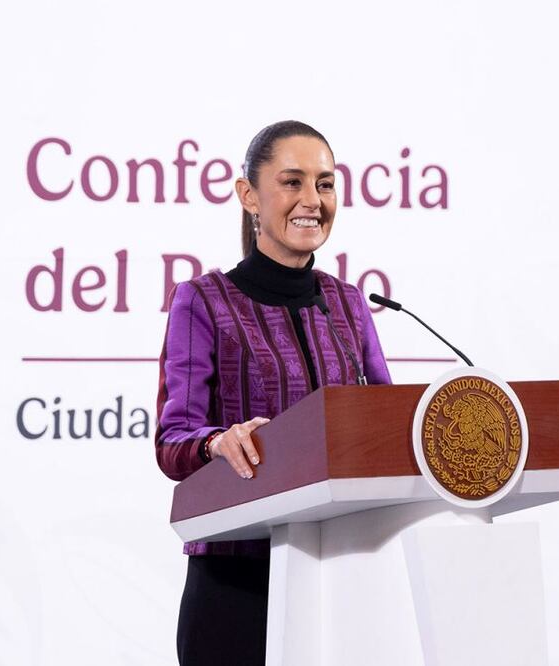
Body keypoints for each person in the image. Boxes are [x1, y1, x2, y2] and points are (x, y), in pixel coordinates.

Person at [153, 120, 392, 665]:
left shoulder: (349, 303)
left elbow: (387, 421)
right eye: (292, 182)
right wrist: (217, 442)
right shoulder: (203, 301)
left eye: (326, 184)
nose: (313, 200)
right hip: (237, 581)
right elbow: (172, 441)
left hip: (340, 577)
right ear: (249, 196)